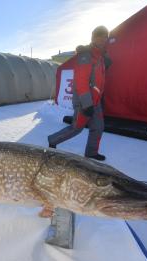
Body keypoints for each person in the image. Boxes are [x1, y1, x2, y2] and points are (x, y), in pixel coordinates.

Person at [47, 26, 109, 161]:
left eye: (105, 37)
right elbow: (81, 82)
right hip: (84, 101)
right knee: (76, 128)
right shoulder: (86, 56)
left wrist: (99, 99)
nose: (103, 39)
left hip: (96, 101)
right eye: (99, 36)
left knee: (98, 127)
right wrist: (87, 104)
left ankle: (91, 153)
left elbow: (98, 81)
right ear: (93, 38)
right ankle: (53, 140)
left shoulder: (101, 57)